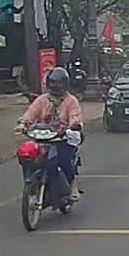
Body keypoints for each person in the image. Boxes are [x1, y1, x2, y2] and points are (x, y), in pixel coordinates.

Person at [16, 67, 84, 200]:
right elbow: (31, 113)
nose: (55, 89)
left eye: (58, 86)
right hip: (42, 138)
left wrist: (73, 125)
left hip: (62, 139)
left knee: (65, 160)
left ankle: (72, 185)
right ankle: (32, 182)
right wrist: (23, 124)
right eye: (52, 85)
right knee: (26, 154)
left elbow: (75, 117)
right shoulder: (42, 100)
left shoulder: (71, 101)